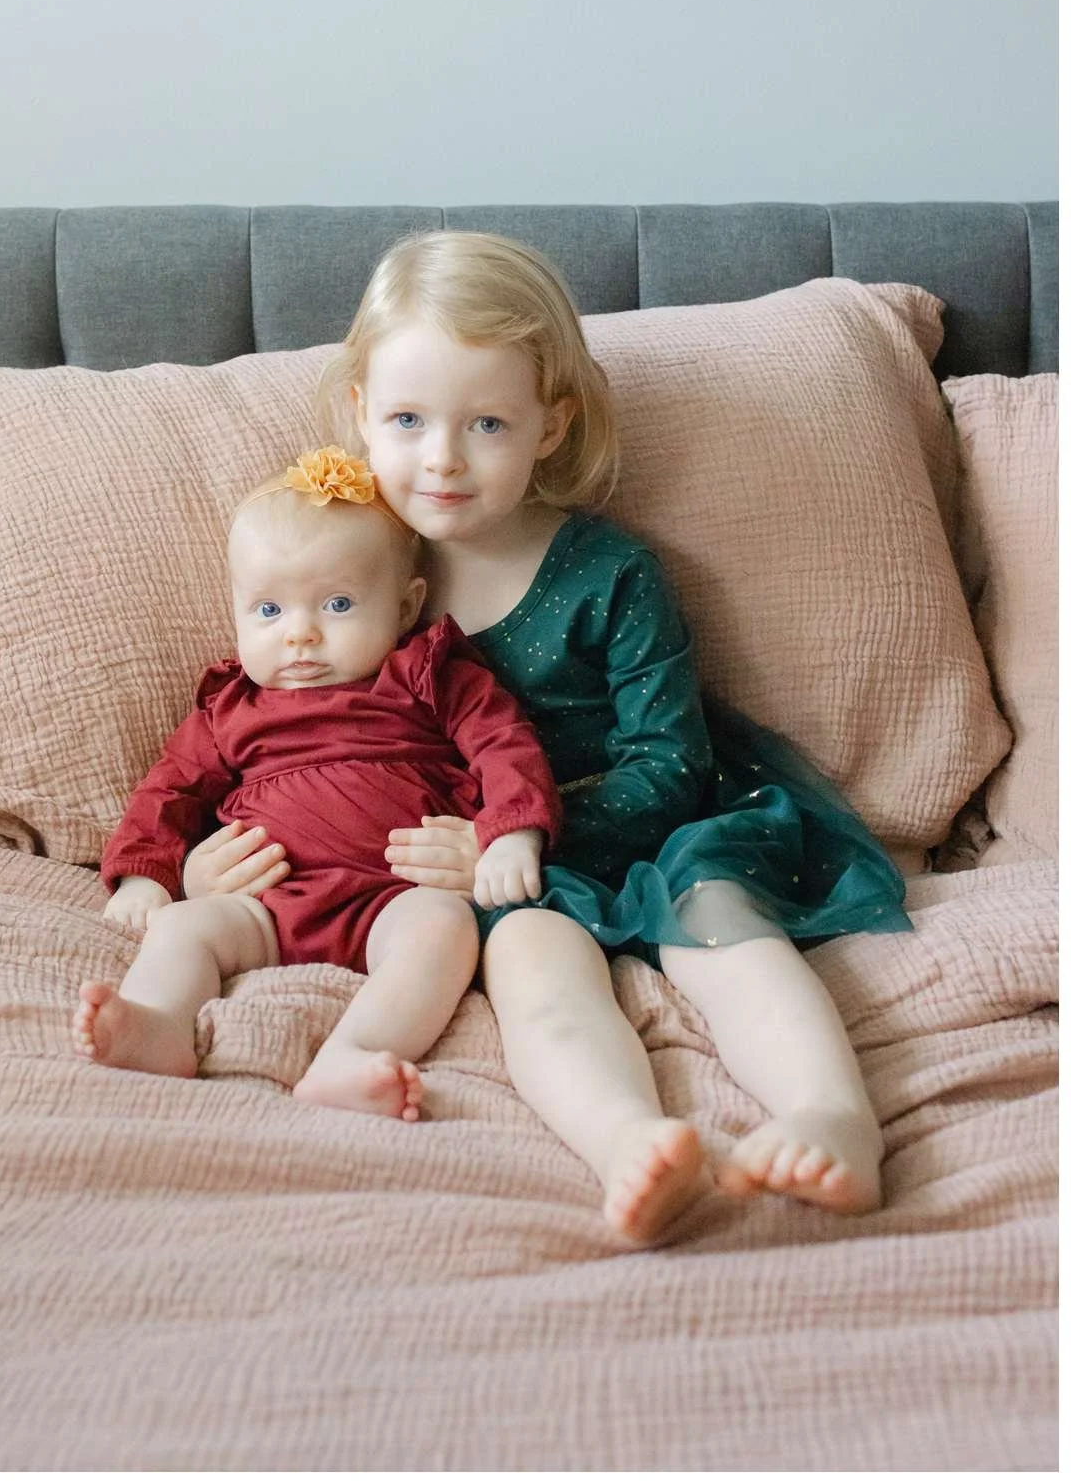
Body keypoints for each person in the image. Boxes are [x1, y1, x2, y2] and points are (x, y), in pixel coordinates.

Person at [189, 231, 912, 1246]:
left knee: (722, 921)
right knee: (534, 968)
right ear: (359, 414)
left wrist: (510, 833)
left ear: (548, 425)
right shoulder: (343, 583)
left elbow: (674, 759)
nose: (441, 456)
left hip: (659, 820)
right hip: (510, 887)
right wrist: (202, 857)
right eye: (407, 419)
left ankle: (835, 1118)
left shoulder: (608, 571)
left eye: (486, 421)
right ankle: (628, 1142)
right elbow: (280, 746)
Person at [72, 446, 562, 1124]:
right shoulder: (230, 707)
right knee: (185, 927)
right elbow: (167, 792)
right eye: (268, 610)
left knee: (446, 929)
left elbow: (504, 743)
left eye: (336, 603)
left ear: (404, 605)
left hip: (393, 899)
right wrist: (148, 878)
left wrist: (510, 833)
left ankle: (353, 1052)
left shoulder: (427, 673)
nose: (300, 634)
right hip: (266, 907)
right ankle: (158, 1023)